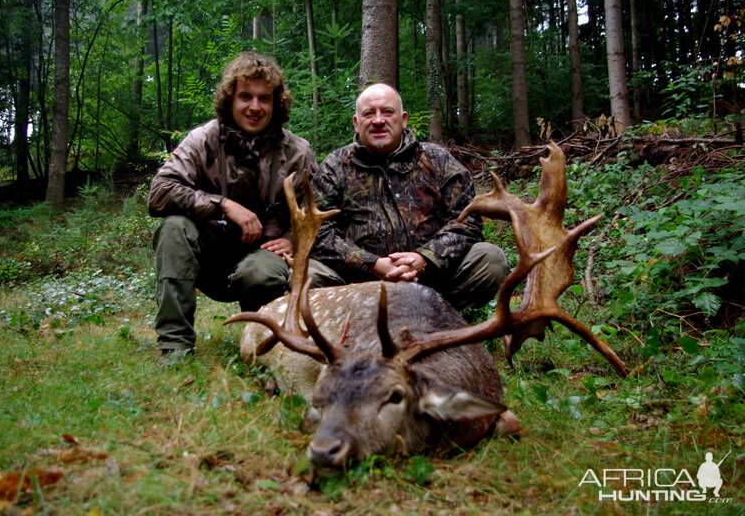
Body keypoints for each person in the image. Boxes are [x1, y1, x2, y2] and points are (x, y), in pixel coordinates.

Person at [148, 52, 316, 357]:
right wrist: (222, 204)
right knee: (174, 229)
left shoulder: (297, 152)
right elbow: (159, 192)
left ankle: (263, 343)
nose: (254, 107)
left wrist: (293, 241)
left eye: (264, 98)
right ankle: (174, 347)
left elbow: (315, 216)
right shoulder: (203, 140)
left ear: (276, 103)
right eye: (245, 97)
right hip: (208, 257)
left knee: (260, 274)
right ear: (230, 99)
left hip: (263, 258)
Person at [309, 83, 507, 311]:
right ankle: (354, 325)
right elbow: (317, 232)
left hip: (432, 283)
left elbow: (467, 222)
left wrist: (424, 259)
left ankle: (439, 319)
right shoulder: (335, 166)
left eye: (387, 112)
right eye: (368, 113)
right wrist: (372, 264)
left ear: (403, 119)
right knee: (310, 274)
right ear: (356, 122)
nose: (378, 120)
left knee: (490, 260)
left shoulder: (438, 160)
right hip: (359, 286)